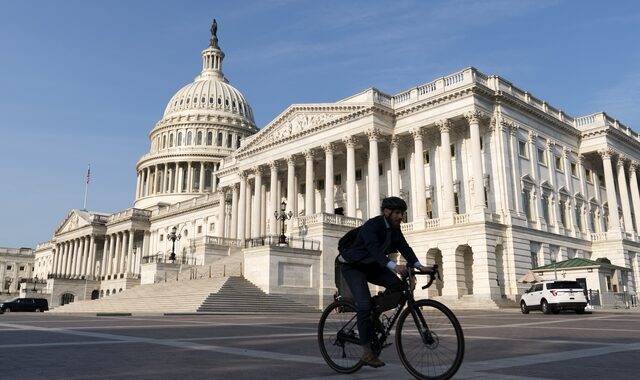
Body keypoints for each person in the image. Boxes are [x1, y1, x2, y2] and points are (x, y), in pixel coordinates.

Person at [339, 196, 431, 368]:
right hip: (354, 266)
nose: (400, 217)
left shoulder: (395, 229)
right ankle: (367, 352)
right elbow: (373, 249)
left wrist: (419, 265)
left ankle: (373, 313)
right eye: (397, 213)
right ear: (386, 212)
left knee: (398, 287)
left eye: (402, 213)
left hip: (372, 266)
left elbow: (405, 247)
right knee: (364, 305)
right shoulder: (372, 226)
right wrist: (394, 266)